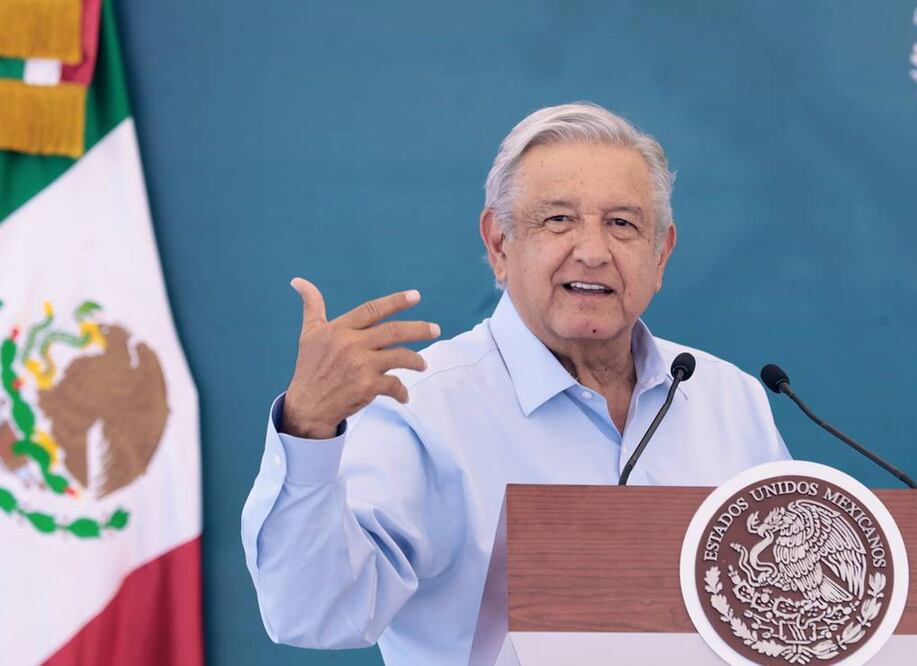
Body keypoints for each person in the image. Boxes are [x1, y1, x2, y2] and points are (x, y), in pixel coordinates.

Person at [241, 102, 789, 665]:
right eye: (558, 220)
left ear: (661, 253)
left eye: (622, 224)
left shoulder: (729, 398)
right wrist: (307, 427)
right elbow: (313, 611)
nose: (594, 251)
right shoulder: (421, 405)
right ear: (499, 245)